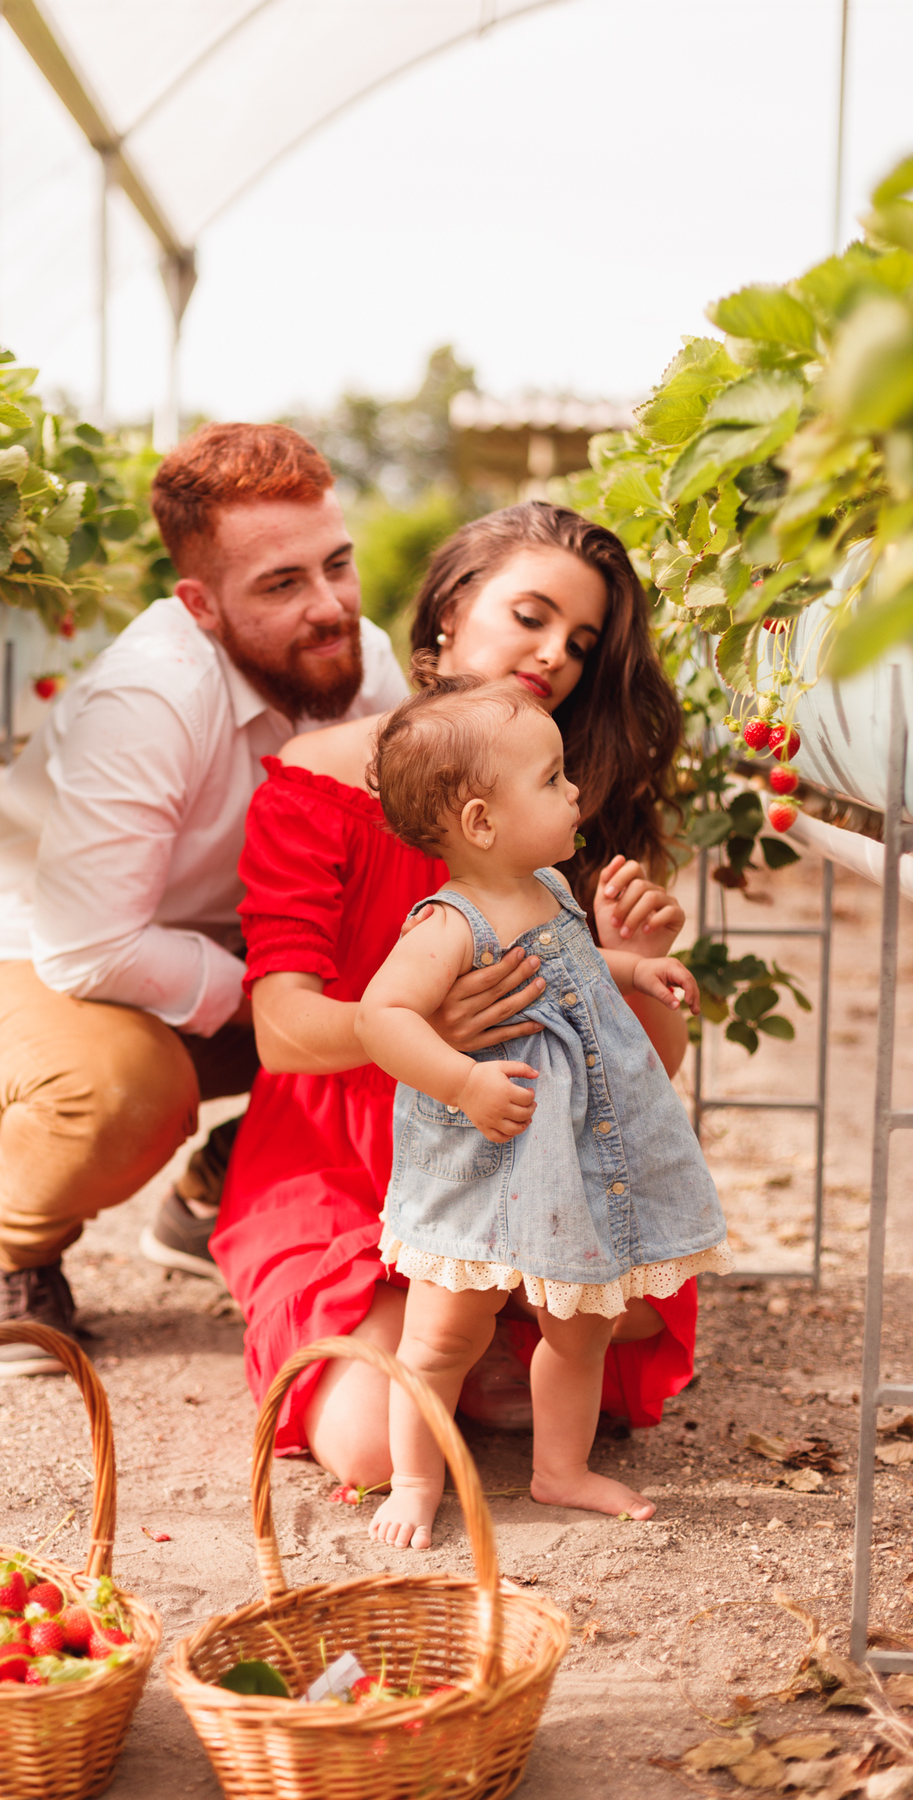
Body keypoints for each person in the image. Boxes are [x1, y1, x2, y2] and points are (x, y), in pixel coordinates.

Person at [0, 423, 410, 1377]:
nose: (330, 607)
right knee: (122, 1093)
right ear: (200, 605)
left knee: (418, 984)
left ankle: (214, 1189)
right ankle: (14, 1248)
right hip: (20, 966)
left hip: (201, 953)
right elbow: (88, 949)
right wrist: (290, 1003)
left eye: (336, 565)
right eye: (281, 584)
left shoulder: (360, 661)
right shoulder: (149, 698)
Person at [211, 500, 697, 1483]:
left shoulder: (562, 801)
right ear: (451, 610)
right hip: (347, 1149)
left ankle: (478, 1334)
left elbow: (644, 1058)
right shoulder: (317, 782)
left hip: (528, 1140)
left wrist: (631, 965)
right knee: (365, 1451)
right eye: (532, 615)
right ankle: (469, 1339)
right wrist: (415, 1028)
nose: (556, 652)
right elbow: (283, 1030)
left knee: (614, 1328)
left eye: (581, 640)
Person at [356, 675, 730, 1548]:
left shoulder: (553, 890)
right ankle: (416, 1478)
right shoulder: (450, 923)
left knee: (581, 1323)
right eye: (554, 779)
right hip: (484, 1162)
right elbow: (384, 1016)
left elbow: (577, 971)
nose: (574, 793)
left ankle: (560, 1472)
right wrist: (460, 1082)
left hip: (571, 1159)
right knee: (444, 1329)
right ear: (481, 822)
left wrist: (635, 971)